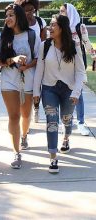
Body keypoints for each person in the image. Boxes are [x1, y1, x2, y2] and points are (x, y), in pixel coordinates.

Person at [33, 14, 86, 173]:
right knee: (52, 120)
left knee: (66, 119)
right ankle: (53, 157)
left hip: (69, 90)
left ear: (62, 28)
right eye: (50, 24)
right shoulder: (45, 46)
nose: (50, 27)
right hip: (49, 89)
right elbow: (39, 71)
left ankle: (66, 138)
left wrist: (76, 93)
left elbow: (80, 72)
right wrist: (36, 91)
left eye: (53, 25)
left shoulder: (74, 46)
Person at [0, 3, 40, 169]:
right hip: (9, 81)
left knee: (25, 115)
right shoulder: (3, 37)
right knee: (14, 116)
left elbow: (37, 58)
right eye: (6, 16)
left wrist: (26, 65)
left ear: (19, 16)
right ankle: (16, 152)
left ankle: (24, 135)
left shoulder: (31, 35)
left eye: (11, 15)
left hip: (27, 81)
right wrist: (12, 60)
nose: (7, 18)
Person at [14, 0, 47, 148]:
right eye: (26, 10)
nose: (29, 13)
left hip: (38, 61)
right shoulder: (17, 23)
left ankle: (35, 108)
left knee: (36, 88)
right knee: (23, 95)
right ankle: (25, 124)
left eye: (32, 10)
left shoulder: (40, 22)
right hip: (21, 65)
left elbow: (44, 42)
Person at [60, 3, 96, 136]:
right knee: (64, 94)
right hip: (63, 65)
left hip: (79, 65)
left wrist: (94, 57)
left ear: (70, 12)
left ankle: (81, 123)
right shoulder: (60, 26)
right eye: (60, 11)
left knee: (78, 94)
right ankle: (66, 122)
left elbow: (87, 44)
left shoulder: (80, 27)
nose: (61, 14)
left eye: (63, 11)